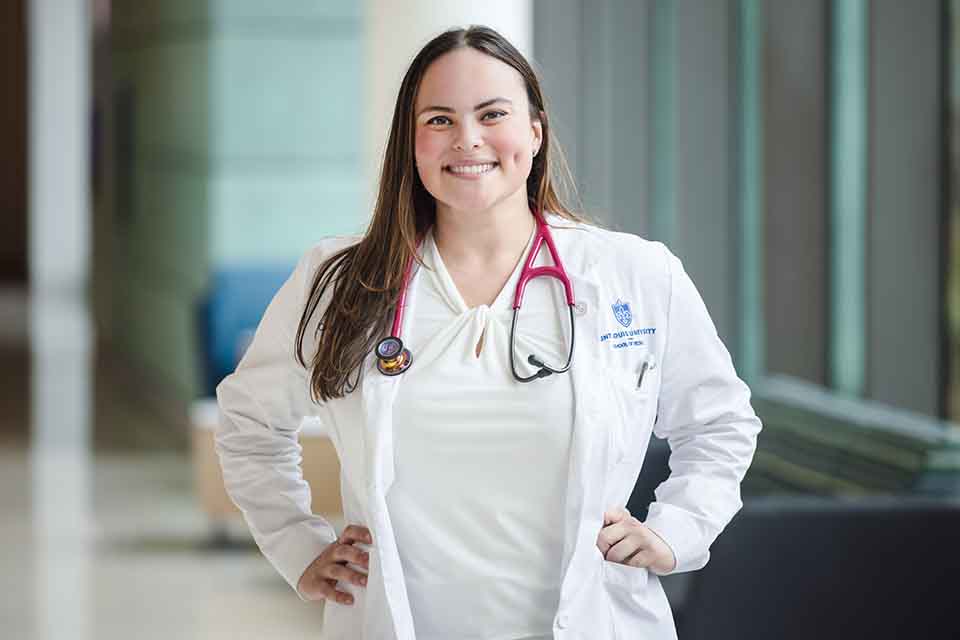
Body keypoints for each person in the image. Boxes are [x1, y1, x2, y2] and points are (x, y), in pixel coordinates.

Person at [215, 24, 762, 640]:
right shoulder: (340, 281)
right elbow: (248, 421)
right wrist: (296, 544)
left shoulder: (632, 275)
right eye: (440, 119)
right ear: (411, 142)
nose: (467, 140)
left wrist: (675, 531)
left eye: (492, 113)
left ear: (535, 131)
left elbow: (720, 424)